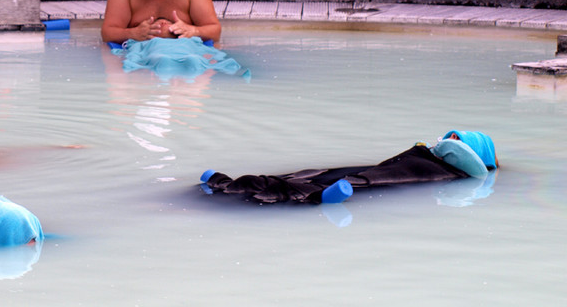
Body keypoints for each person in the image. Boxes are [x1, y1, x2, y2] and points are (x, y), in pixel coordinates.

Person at [201, 130, 498, 205]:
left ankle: (234, 187)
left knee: (307, 186)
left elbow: (382, 178)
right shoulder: (428, 156)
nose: (452, 138)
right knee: (309, 174)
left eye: (460, 138)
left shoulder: (442, 170)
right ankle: (224, 184)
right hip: (356, 173)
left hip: (362, 179)